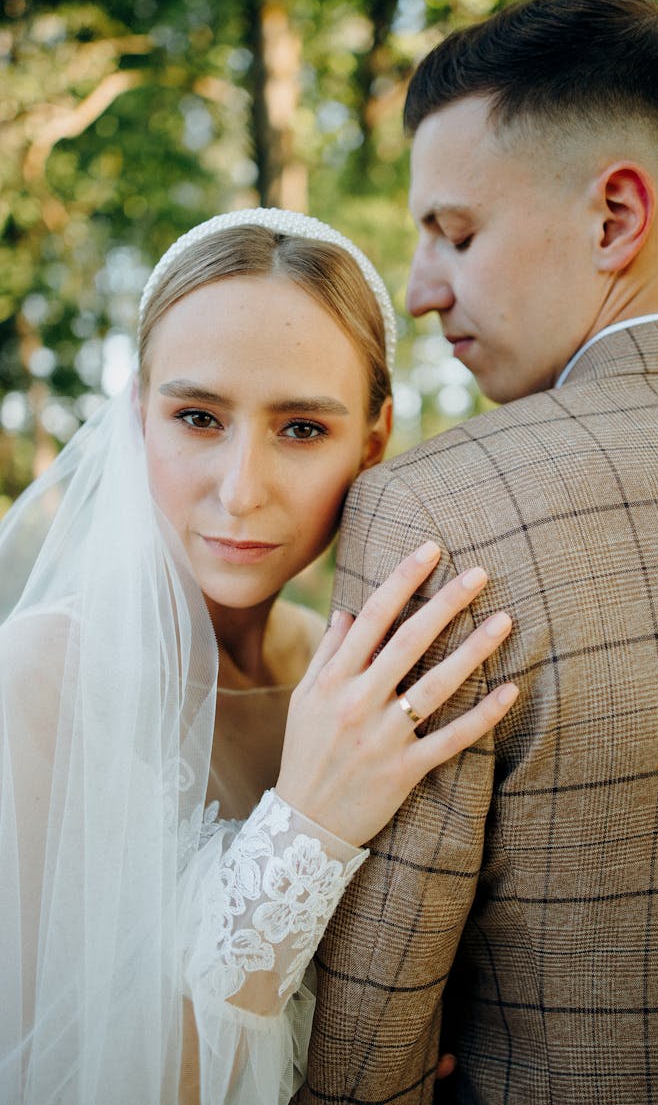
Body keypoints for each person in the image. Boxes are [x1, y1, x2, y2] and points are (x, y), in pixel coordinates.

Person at [297, 0, 658, 1103]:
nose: (417, 291)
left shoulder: (438, 515)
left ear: (613, 218)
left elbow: (372, 1046)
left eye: (454, 232)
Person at [0, 207, 520, 1104]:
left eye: (302, 429)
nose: (241, 492)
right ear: (139, 416)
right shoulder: (39, 680)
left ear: (374, 436)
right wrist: (307, 825)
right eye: (198, 416)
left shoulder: (341, 677)